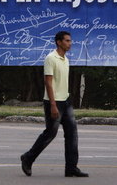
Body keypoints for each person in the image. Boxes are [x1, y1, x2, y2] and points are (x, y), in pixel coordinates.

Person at [20, 31, 89, 178]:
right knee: (50, 133)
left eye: (70, 41)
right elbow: (48, 83)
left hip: (66, 101)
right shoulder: (51, 58)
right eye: (67, 41)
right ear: (59, 42)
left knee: (72, 134)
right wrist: (52, 105)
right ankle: (28, 158)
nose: (70, 43)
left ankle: (71, 168)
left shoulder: (65, 59)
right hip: (54, 102)